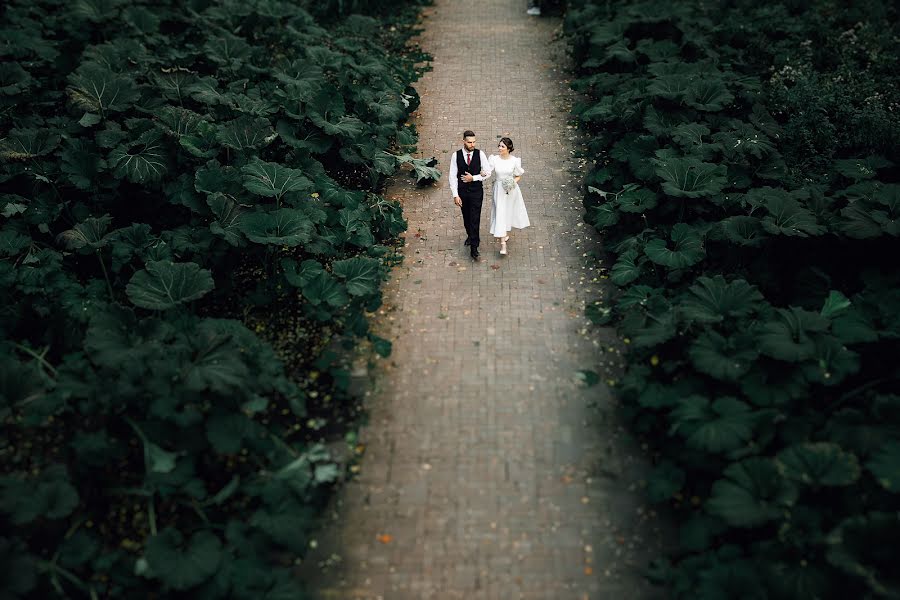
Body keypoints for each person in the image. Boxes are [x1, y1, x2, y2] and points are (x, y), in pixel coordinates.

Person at [449, 130, 492, 260]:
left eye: (474, 142)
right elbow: (452, 176)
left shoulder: (480, 154)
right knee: (466, 217)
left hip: (476, 192)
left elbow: (488, 172)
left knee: (475, 218)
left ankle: (474, 247)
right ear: (463, 141)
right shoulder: (455, 156)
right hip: (462, 192)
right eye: (469, 142)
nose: (472, 144)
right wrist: (455, 195)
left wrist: (474, 178)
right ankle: (470, 235)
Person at [488, 137, 530, 256]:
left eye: (502, 146)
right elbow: (487, 171)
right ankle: (503, 245)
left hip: (511, 190)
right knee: (500, 213)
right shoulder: (494, 159)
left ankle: (505, 234)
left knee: (507, 212)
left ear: (509, 148)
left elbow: (518, 175)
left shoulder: (514, 161)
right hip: (498, 190)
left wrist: (512, 183)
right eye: (499, 146)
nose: (499, 148)